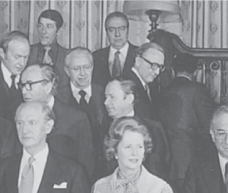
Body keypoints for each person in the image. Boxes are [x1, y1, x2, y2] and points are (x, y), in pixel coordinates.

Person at [20, 63, 95, 177]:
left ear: (48, 86)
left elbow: (86, 164)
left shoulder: (76, 118)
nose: (24, 91)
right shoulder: (17, 116)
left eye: (29, 84)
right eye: (22, 85)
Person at [156, 53, 216, 190]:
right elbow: (209, 126)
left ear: (172, 71)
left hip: (166, 163)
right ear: (195, 72)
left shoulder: (162, 92)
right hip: (190, 162)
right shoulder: (198, 90)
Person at [102, 78, 171, 180]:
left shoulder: (153, 129)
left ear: (129, 98)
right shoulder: (102, 131)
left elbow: (158, 169)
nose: (106, 102)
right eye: (106, 97)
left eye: (112, 97)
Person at [58, 47, 106, 176]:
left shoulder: (104, 94)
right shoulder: (57, 97)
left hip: (101, 169)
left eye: (87, 67)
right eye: (76, 69)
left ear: (92, 67)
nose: (83, 73)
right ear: (67, 71)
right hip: (69, 169)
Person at [0, 31, 29, 121]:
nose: (22, 63)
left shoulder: (31, 80)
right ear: (2, 53)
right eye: (17, 57)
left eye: (25, 57)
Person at [92, 12, 136, 88]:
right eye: (112, 30)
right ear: (107, 33)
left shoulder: (140, 55)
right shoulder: (95, 57)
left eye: (121, 29)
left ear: (127, 30)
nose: (117, 34)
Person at [27, 9, 69, 89]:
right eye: (40, 26)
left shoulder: (68, 55)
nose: (43, 31)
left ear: (59, 31)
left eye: (49, 27)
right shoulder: (28, 51)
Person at [122, 42, 165, 121]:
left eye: (160, 67)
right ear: (138, 61)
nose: (157, 72)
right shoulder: (126, 84)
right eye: (154, 65)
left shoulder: (149, 86)